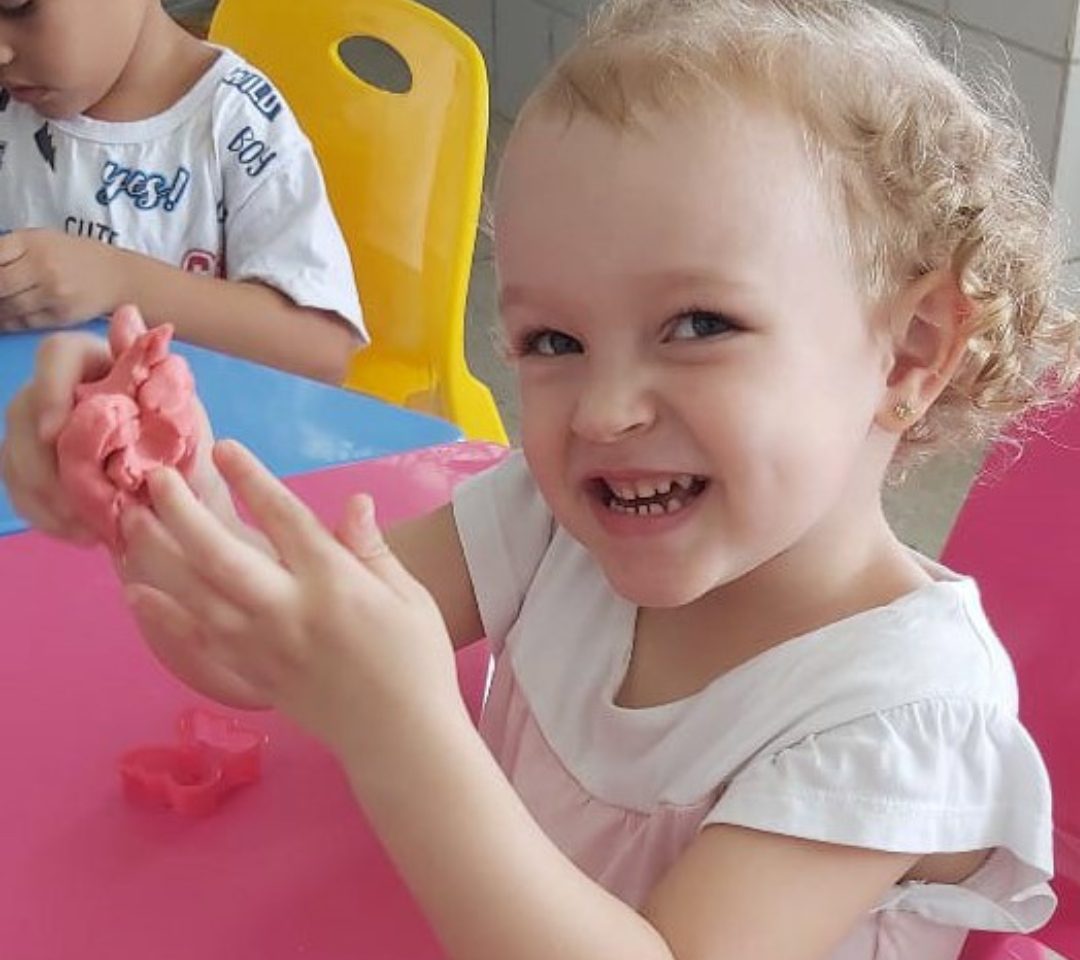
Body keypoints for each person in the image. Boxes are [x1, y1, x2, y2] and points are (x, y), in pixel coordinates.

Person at [3, 1, 1077, 957]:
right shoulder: (561, 519)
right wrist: (145, 486)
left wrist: (402, 734)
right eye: (554, 340)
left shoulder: (897, 717)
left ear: (909, 350)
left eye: (698, 325)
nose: (604, 411)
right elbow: (267, 644)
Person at [0, 0, 365, 383]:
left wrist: (118, 281)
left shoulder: (234, 120)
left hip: (195, 430)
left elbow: (321, 348)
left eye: (19, 5)